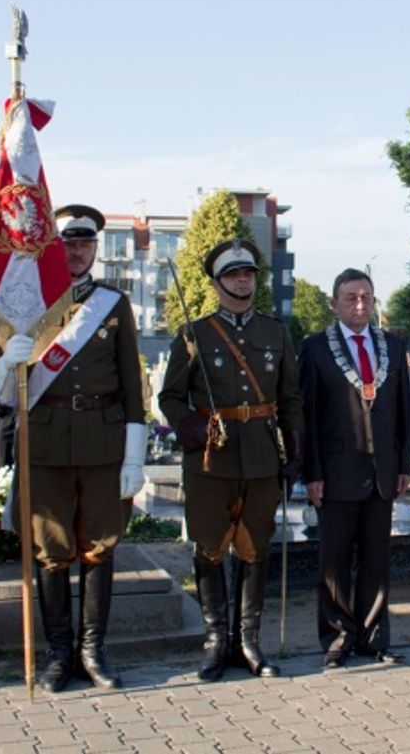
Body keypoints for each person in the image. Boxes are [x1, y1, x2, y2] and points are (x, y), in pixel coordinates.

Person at [0, 204, 146, 693]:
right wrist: (8, 361)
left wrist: (135, 454)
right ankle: (59, 653)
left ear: (95, 248)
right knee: (51, 551)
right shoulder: (23, 303)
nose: (76, 252)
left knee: (100, 547)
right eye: (67, 243)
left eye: (84, 243)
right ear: (51, 247)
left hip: (103, 440)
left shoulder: (113, 304)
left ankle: (92, 651)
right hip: (46, 441)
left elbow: (131, 385)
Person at [159, 238, 304, 682]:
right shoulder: (194, 334)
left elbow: (291, 398)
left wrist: (294, 452)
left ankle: (249, 641)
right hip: (211, 458)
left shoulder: (275, 332)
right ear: (217, 282)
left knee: (255, 548)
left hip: (261, 455)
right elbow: (170, 397)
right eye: (234, 275)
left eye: (249, 274)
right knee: (210, 547)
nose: (243, 280)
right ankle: (215, 641)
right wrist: (190, 427)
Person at [298, 268, 410, 668]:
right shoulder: (313, 349)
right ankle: (337, 639)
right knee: (333, 562)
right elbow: (307, 417)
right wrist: (310, 472)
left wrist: (403, 464)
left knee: (377, 560)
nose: (360, 305)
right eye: (351, 298)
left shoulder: (393, 348)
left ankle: (374, 638)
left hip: (382, 471)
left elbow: (404, 412)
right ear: (334, 304)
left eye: (366, 297)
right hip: (334, 472)